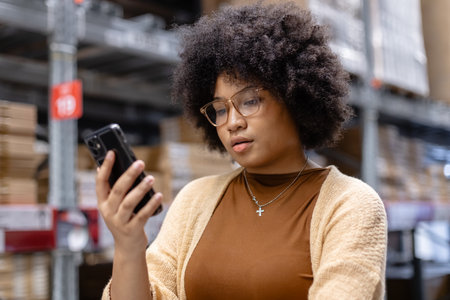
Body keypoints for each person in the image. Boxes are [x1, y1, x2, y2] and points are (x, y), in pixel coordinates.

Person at [97, 2, 387, 299]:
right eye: (220, 109)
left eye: (249, 101)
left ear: (294, 96)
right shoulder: (195, 201)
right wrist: (129, 245)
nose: (232, 122)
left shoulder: (350, 204)